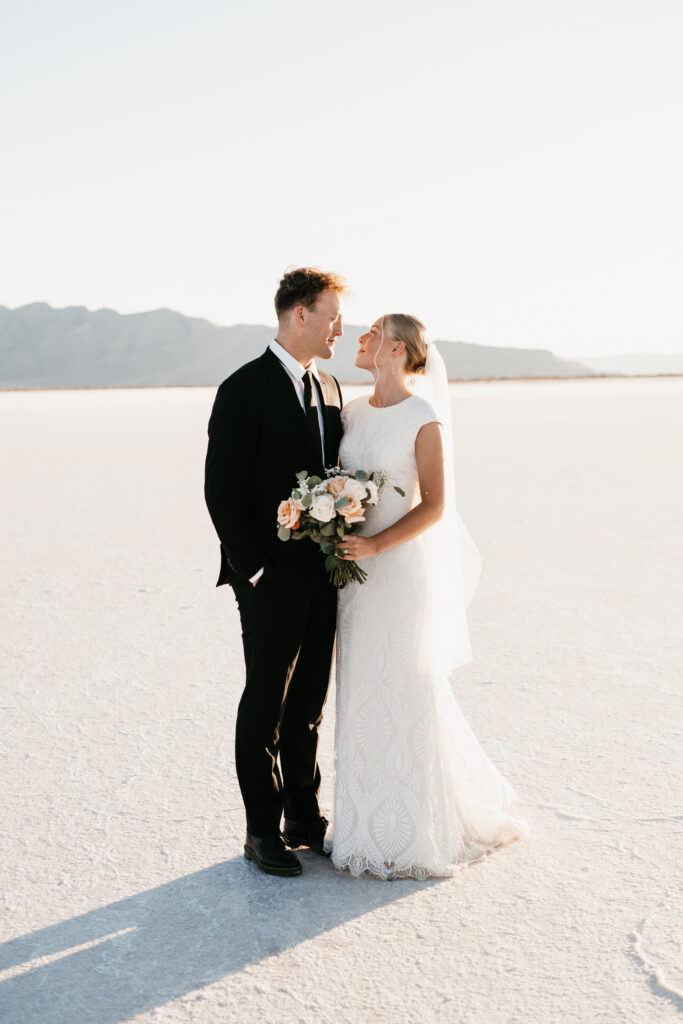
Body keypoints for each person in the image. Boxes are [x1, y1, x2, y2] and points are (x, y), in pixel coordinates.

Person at [331, 314, 528, 879]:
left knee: (404, 688)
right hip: (354, 580)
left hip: (398, 574)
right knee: (362, 690)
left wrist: (377, 547)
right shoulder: (353, 411)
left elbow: (435, 504)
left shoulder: (423, 418)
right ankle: (360, 826)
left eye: (371, 333)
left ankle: (411, 830)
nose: (359, 340)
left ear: (395, 349)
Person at [204, 267, 347, 877]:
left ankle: (303, 818)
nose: (340, 327)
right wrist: (254, 571)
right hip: (268, 578)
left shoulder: (332, 386)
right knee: (265, 703)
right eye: (331, 315)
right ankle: (260, 832)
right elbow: (221, 490)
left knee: (308, 703)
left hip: (323, 573)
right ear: (299, 315)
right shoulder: (244, 388)